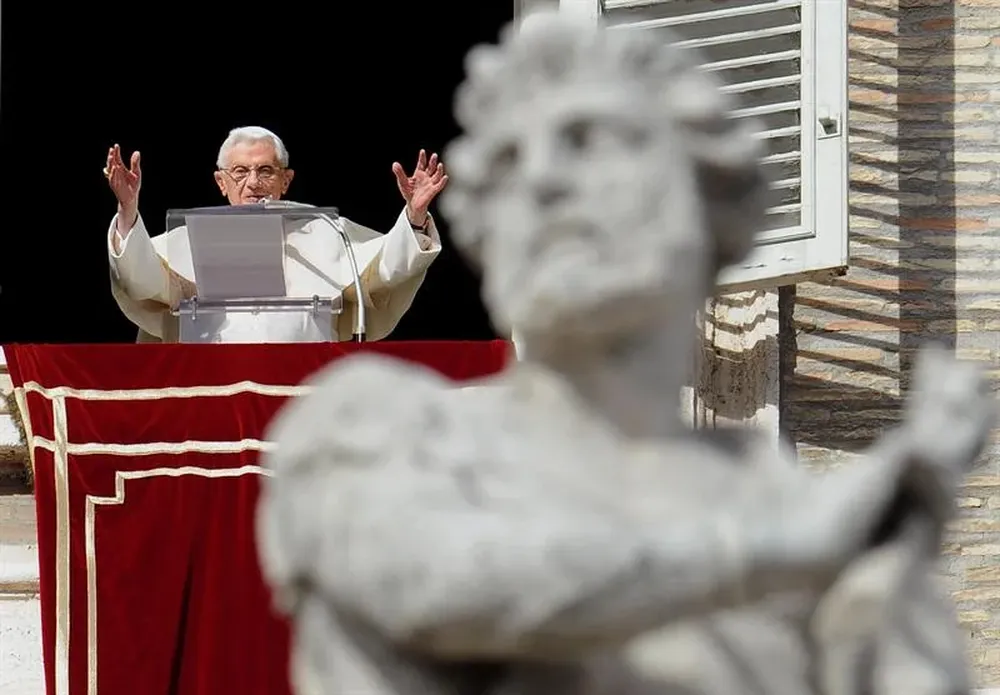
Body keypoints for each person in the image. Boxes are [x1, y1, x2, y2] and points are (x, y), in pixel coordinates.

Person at [254, 12, 993, 695]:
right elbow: (435, 583)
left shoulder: (817, 520)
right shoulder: (385, 433)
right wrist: (783, 550)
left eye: (590, 139)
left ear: (709, 200)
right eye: (508, 161)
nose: (540, 181)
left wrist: (874, 592)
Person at [103, 126, 447, 343]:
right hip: (215, 388)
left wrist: (415, 216)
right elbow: (138, 279)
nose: (253, 183)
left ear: (286, 180)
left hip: (302, 390)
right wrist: (128, 211)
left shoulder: (326, 232)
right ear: (221, 183)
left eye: (266, 170)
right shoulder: (182, 242)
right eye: (240, 171)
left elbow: (386, 268)